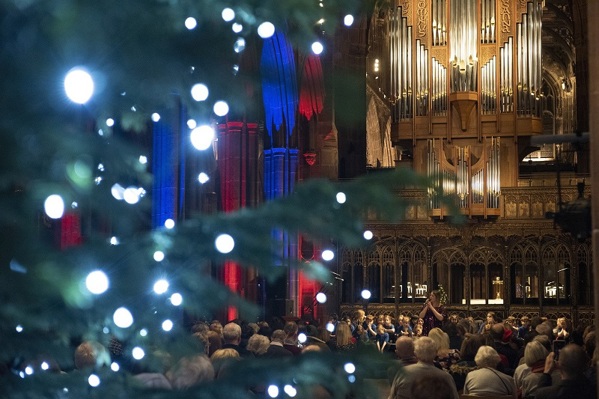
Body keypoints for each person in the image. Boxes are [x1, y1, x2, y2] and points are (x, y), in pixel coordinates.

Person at [387, 336, 459, 399]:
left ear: (415, 353)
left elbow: (392, 396)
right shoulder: (446, 377)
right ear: (435, 353)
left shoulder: (403, 373)